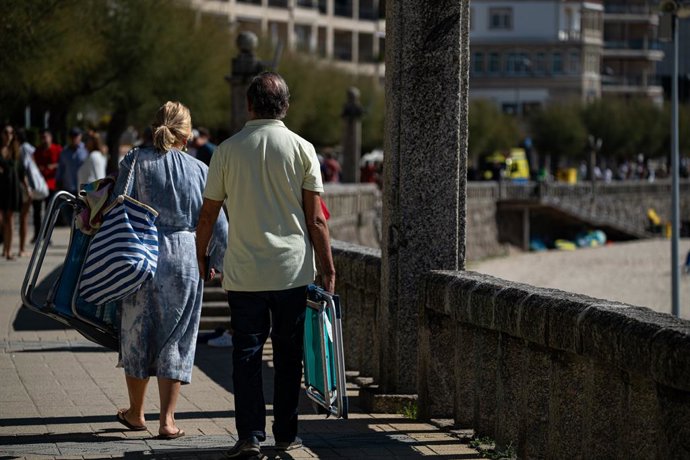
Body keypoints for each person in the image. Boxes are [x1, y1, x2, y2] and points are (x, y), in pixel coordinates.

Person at [196, 72, 335, 458]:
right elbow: (317, 220)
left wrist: (201, 255)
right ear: (285, 106)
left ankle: (250, 436)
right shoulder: (303, 148)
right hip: (292, 270)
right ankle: (287, 434)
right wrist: (328, 267)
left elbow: (207, 215)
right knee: (289, 356)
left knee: (246, 354)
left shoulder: (226, 150)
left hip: (244, 273)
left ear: (249, 105)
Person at [114, 101, 227, 439]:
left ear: (154, 127)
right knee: (176, 336)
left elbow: (119, 204)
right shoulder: (199, 170)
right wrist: (219, 261)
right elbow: (215, 222)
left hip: (141, 253)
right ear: (187, 134)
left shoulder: (135, 162)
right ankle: (167, 420)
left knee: (137, 332)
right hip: (185, 256)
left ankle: (136, 412)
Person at [0, 125, 31, 260]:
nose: (9, 135)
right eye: (6, 132)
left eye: (11, 132)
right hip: (0, 188)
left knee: (10, 220)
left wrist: (28, 188)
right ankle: (5, 248)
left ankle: (7, 251)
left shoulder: (15, 150)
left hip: (12, 188)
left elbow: (21, 172)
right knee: (2, 220)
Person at [33, 129, 62, 239]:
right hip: (39, 185)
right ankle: (37, 234)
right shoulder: (38, 151)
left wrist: (54, 166)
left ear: (51, 137)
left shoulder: (57, 149)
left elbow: (61, 164)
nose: (44, 140)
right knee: (37, 211)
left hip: (51, 184)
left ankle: (46, 236)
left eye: (46, 137)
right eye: (42, 137)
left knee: (49, 211)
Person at [56, 127, 88, 225]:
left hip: (82, 189)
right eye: (72, 136)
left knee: (82, 217)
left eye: (76, 136)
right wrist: (58, 183)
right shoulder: (64, 152)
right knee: (69, 216)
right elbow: (60, 169)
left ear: (80, 136)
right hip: (68, 188)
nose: (74, 138)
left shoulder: (86, 150)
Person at [17, 128, 36, 256]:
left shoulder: (18, 149)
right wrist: (28, 187)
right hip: (24, 185)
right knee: (24, 217)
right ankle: (22, 248)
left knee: (15, 218)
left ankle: (20, 248)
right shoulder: (27, 148)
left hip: (18, 184)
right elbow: (25, 168)